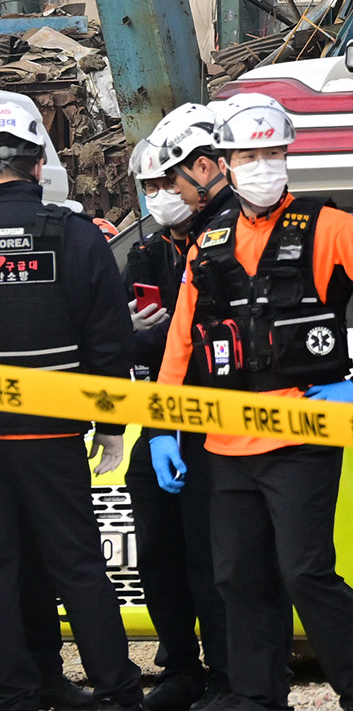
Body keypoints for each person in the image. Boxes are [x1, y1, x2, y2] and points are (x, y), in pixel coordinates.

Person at [156, 96, 353, 711]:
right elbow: (181, 338)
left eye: (273, 153)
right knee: (237, 577)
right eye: (250, 155)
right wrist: (165, 425)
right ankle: (257, 696)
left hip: (299, 433)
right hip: (225, 440)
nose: (263, 165)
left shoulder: (326, 226)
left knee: (306, 572)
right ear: (226, 161)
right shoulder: (208, 242)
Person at [0, 100, 137, 711]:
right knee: (78, 565)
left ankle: (20, 691)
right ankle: (116, 691)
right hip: (54, 433)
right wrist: (110, 425)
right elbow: (109, 339)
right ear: (36, 164)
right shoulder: (76, 235)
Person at [123, 108, 231, 711]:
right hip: (163, 417)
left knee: (209, 554)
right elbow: (125, 336)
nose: (161, 197)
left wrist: (156, 339)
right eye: (151, 189)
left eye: (168, 185)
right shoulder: (149, 253)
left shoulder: (225, 238)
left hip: (217, 419)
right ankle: (180, 666)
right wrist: (130, 331)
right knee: (157, 549)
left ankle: (225, 673)